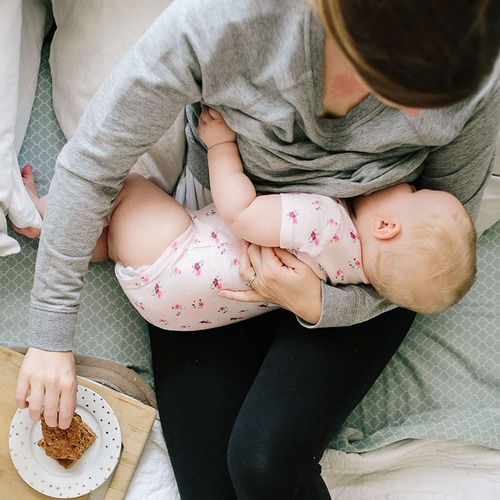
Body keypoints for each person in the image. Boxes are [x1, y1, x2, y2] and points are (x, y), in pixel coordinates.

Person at [15, 0, 499, 498]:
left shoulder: (472, 64)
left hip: (370, 274)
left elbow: (439, 245)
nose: (424, 114)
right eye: (414, 85)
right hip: (219, 246)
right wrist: (50, 338)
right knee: (213, 489)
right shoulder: (221, 25)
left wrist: (321, 302)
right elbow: (91, 165)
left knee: (264, 460)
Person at [18, 105, 477, 330]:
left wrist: (221, 146)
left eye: (413, 190)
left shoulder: (326, 222)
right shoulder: (351, 278)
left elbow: (241, 213)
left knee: (127, 186)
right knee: (118, 238)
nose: (407, 181)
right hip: (175, 313)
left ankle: (45, 216)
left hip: (171, 253)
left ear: (386, 226)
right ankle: (98, 247)